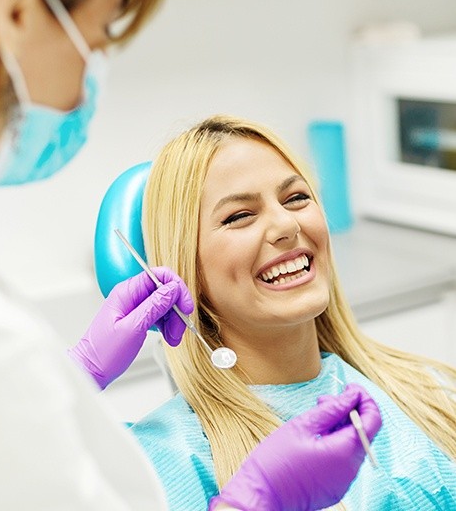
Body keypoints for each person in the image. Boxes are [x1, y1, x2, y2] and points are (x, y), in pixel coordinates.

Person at [0, 0, 381, 510]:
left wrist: (76, 374)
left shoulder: (422, 394)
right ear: (17, 10)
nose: (285, 226)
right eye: (96, 38)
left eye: (295, 198)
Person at [120, 114, 456, 510]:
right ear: (183, 267)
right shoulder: (159, 462)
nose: (285, 224)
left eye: (296, 198)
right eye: (239, 216)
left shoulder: (430, 391)